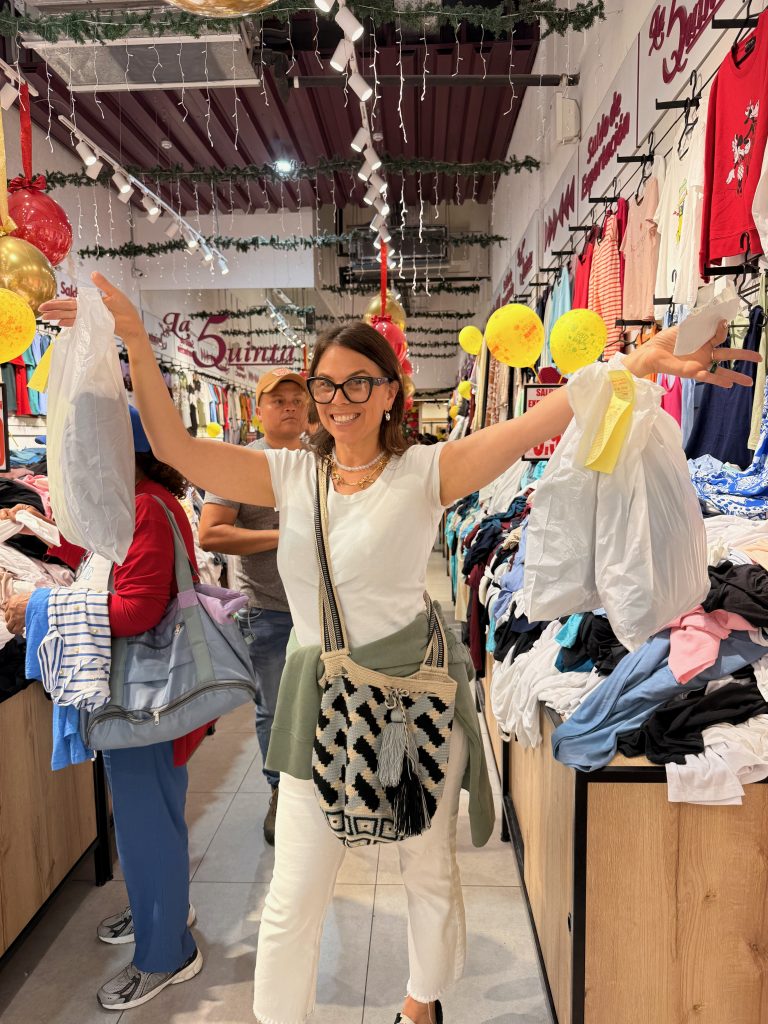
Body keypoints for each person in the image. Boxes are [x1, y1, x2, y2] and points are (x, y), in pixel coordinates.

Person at [39, 275, 757, 1024]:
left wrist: (638, 361)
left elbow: (544, 417)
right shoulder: (289, 473)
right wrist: (134, 339)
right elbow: (175, 446)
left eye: (359, 382)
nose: (339, 399)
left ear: (390, 392)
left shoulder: (426, 471)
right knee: (294, 891)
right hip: (316, 701)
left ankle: (421, 1006)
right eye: (325, 385)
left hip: (412, 700)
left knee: (425, 866)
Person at [2, 407, 205, 1012]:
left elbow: (138, 608)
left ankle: (166, 954)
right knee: (153, 817)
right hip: (146, 692)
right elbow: (99, 556)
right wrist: (36, 526)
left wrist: (40, 605)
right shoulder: (139, 501)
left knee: (145, 824)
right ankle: (161, 907)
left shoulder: (143, 507)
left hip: (141, 697)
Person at [199, 368, 309, 844]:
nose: (289, 407)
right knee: (275, 709)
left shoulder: (324, 459)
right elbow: (210, 533)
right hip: (268, 610)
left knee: (326, 702)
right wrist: (284, 536)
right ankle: (281, 792)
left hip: (325, 608)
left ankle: (318, 790)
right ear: (259, 409)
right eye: (277, 400)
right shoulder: (241, 464)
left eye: (297, 399)